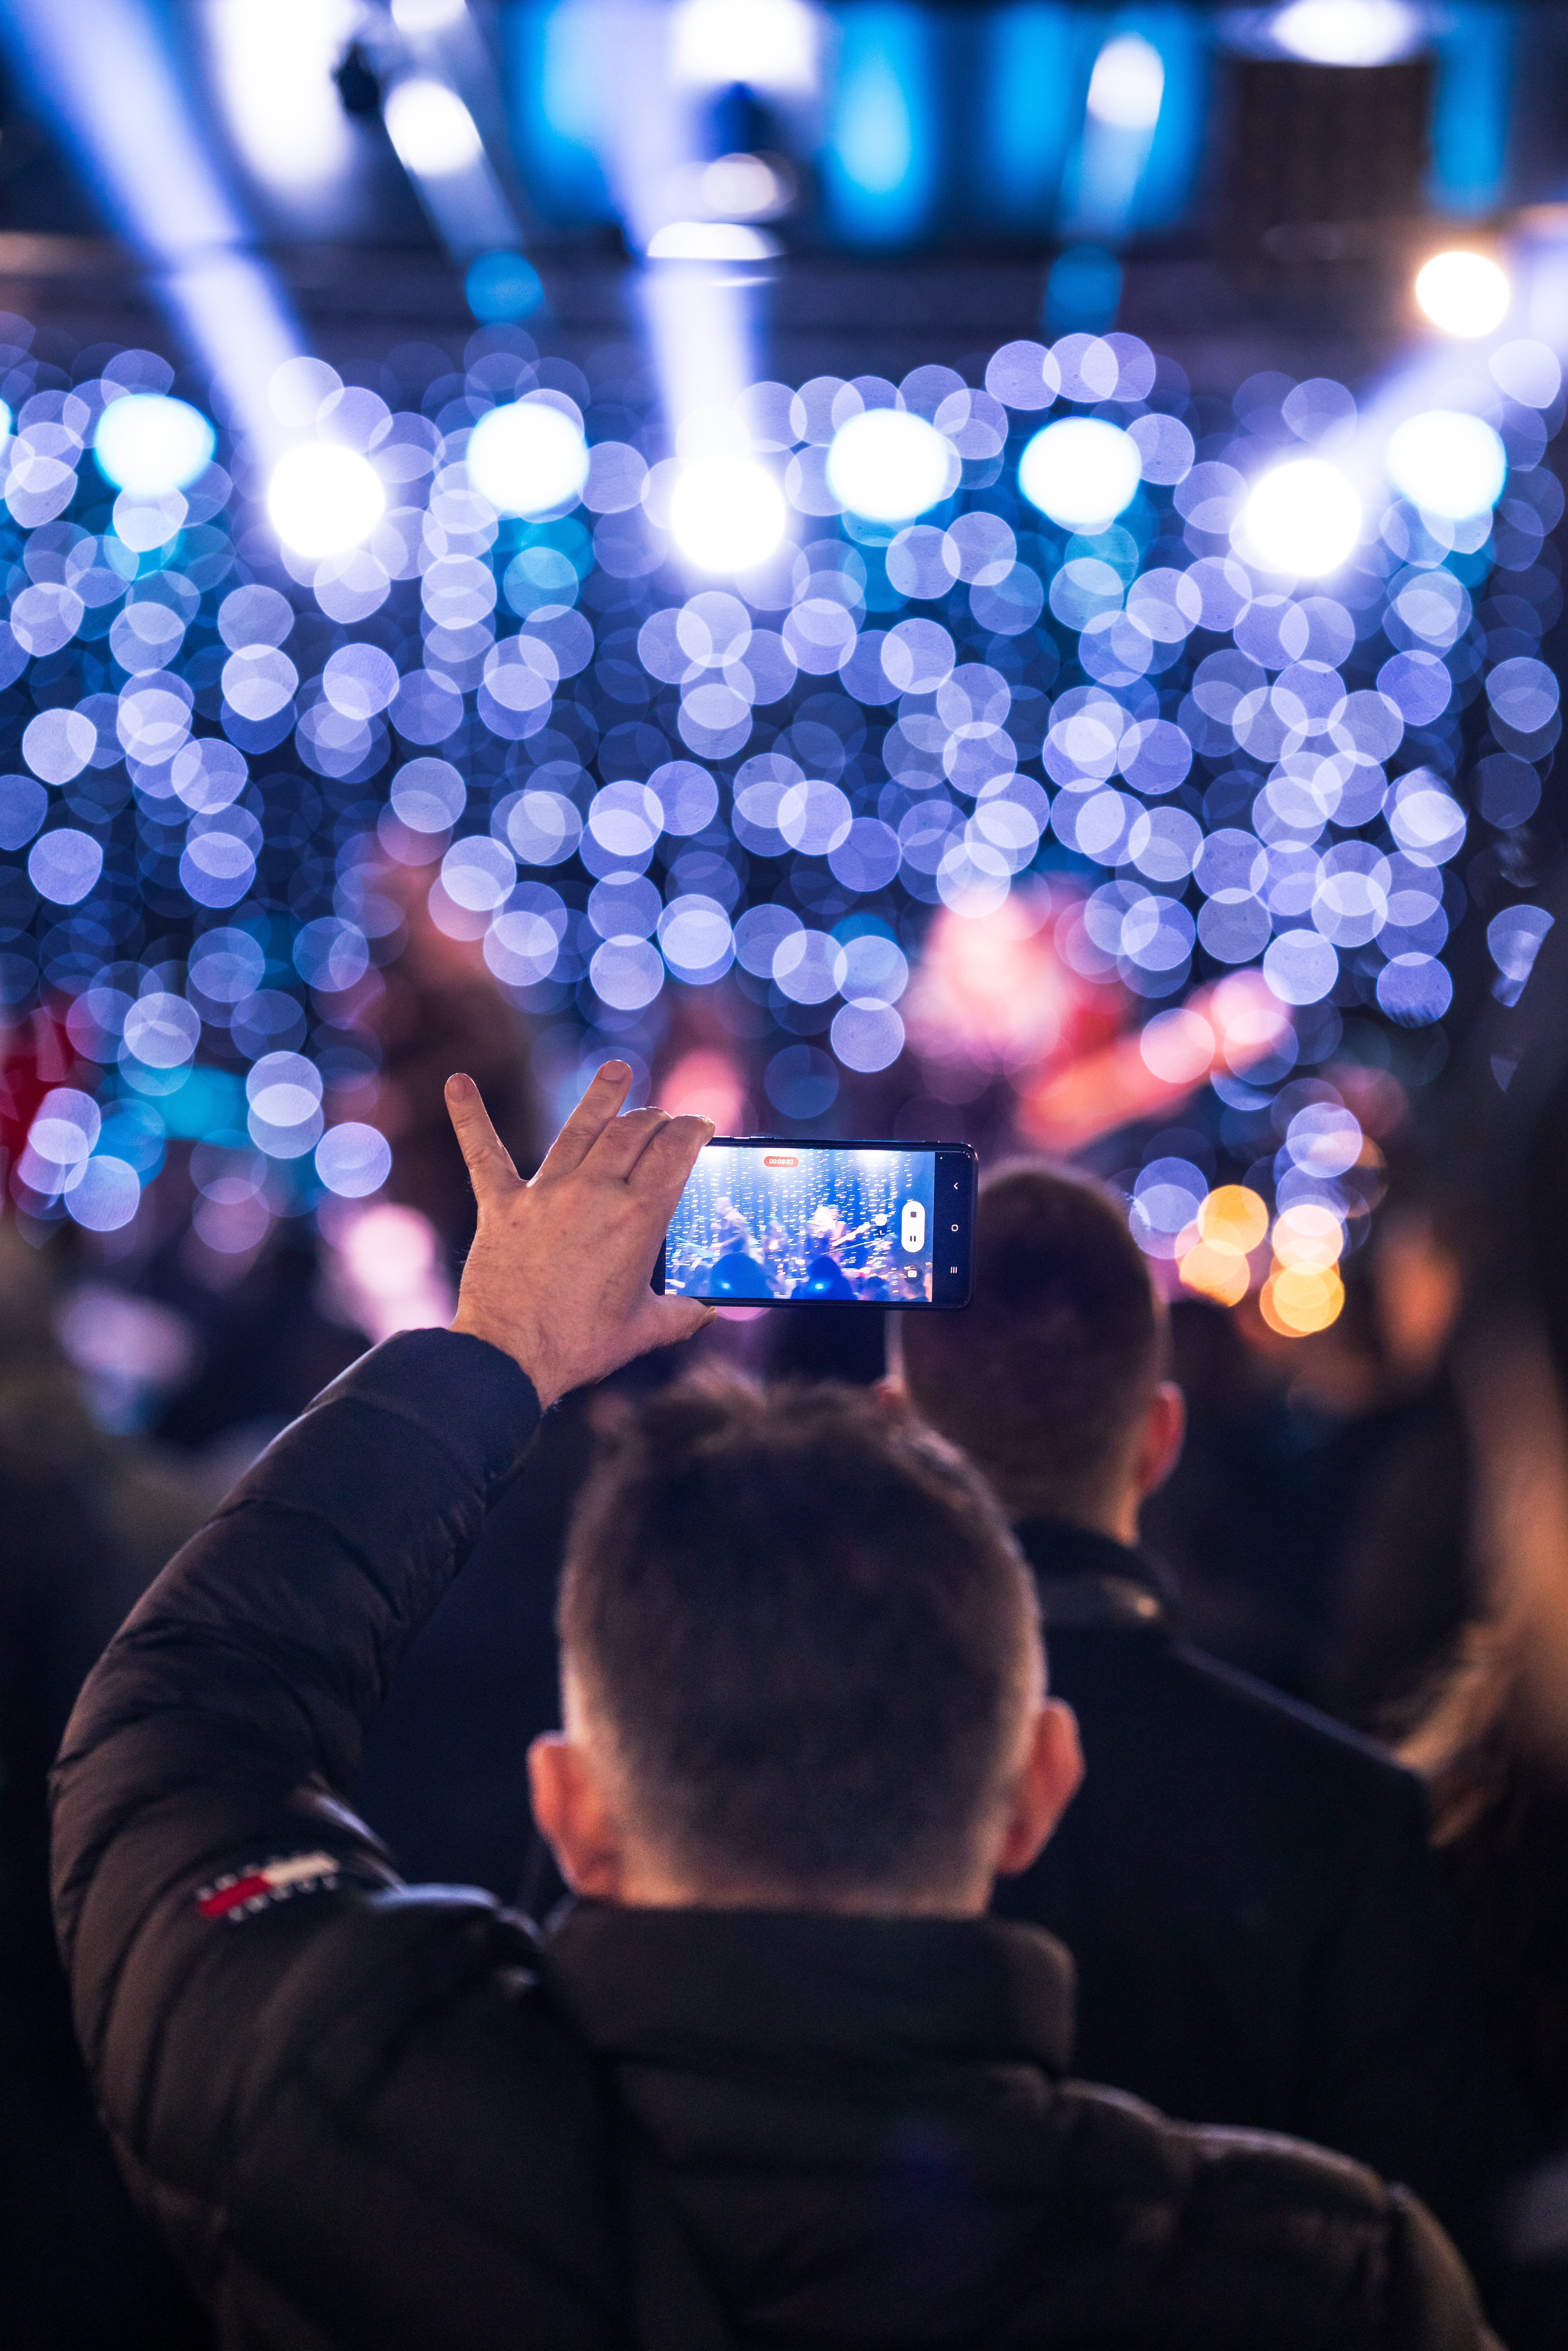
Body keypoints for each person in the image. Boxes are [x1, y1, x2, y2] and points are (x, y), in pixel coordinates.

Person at [51, 1067, 1498, 2350]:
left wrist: (499, 1352)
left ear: (572, 1810)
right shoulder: (1310, 2280)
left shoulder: (343, 2123)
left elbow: (177, 1721)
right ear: (1034, 1785)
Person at [894, 1161, 1513, 2248]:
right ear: (1159, 1437)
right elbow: (1428, 2228)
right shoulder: (1347, 1816)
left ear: (899, 1426)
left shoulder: (774, 1765)